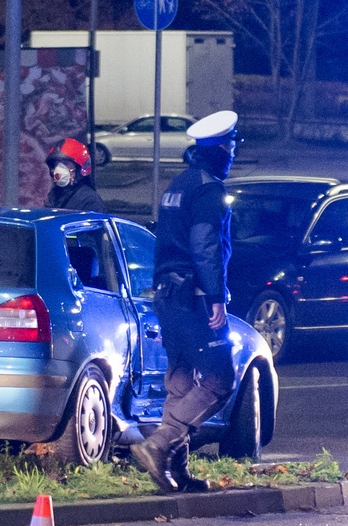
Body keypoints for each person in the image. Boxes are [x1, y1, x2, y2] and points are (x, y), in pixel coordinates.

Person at [129, 110, 240, 493]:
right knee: (220, 377)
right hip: (193, 296)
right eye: (233, 145)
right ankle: (160, 445)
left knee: (180, 381)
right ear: (222, 149)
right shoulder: (208, 189)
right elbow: (205, 246)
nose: (234, 152)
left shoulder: (178, 184)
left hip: (167, 295)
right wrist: (215, 298)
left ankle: (174, 470)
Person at [44, 138, 107, 211]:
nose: (59, 168)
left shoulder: (90, 201)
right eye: (56, 164)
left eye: (65, 163)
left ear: (78, 168)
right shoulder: (55, 195)